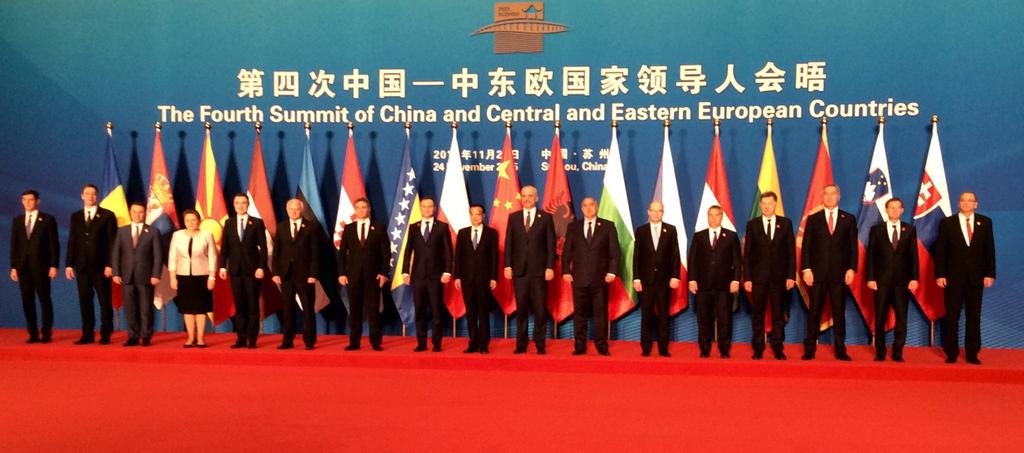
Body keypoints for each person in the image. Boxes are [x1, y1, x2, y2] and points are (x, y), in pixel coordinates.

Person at [935, 191, 996, 365]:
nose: (966, 203)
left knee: (974, 317)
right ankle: (951, 352)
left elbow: (989, 250)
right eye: (963, 200)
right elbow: (941, 251)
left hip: (976, 278)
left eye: (970, 200)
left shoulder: (985, 222)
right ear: (958, 203)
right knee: (952, 317)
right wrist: (940, 274)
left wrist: (990, 273)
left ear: (976, 204)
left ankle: (972, 353)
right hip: (953, 278)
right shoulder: (947, 223)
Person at [800, 184, 858, 361]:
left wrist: (851, 268)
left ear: (838, 196)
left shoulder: (848, 219)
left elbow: (853, 247)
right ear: (822, 197)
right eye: (826, 194)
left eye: (833, 194)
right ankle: (810, 348)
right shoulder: (813, 218)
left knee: (839, 313)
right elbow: (806, 246)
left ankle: (840, 349)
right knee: (814, 312)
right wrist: (806, 269)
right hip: (817, 274)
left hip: (839, 275)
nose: (830, 197)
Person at [561, 196, 620, 356]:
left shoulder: (607, 226)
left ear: (597, 207)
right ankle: (580, 346)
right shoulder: (573, 227)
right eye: (585, 205)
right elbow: (567, 251)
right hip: (579, 278)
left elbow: (615, 252)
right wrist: (565, 271)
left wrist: (612, 272)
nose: (588, 208)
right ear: (581, 209)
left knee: (600, 314)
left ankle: (602, 345)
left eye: (591, 205)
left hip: (600, 279)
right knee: (580, 314)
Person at [742, 191, 796, 360]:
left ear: (775, 204)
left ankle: (778, 347)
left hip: (780, 278)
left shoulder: (786, 224)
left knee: (778, 314)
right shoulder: (752, 225)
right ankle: (758, 348)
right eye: (764, 204)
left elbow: (791, 253)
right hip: (758, 278)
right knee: (758, 314)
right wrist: (747, 278)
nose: (766, 207)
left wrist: (791, 276)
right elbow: (747, 254)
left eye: (769, 203)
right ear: (760, 205)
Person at [504, 185, 556, 355]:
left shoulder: (546, 218)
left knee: (540, 309)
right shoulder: (514, 217)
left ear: (536, 198)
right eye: (524, 195)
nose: (526, 198)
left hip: (539, 272)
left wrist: (550, 267)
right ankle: (521, 344)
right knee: (522, 309)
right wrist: (508, 265)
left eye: (530, 196)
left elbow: (550, 244)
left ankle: (540, 343)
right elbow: (509, 243)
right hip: (519, 272)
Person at [866, 197, 919, 362]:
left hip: (902, 282)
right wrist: (870, 278)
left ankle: (898, 352)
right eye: (891, 207)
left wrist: (914, 278)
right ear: (886, 210)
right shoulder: (876, 230)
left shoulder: (909, 229)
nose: (894, 210)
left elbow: (914, 256)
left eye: (897, 208)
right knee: (880, 318)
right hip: (881, 282)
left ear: (902, 210)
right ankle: (880, 352)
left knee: (902, 318)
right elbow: (871, 255)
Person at [65, 184, 118, 345]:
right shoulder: (76, 216)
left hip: (102, 267)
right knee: (85, 301)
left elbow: (113, 243)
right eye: (87, 194)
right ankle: (87, 334)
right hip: (82, 267)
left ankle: (106, 334)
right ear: (82, 196)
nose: (90, 196)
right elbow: (72, 241)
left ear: (97, 196)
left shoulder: (108, 215)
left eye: (93, 194)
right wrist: (69, 264)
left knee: (104, 302)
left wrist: (110, 264)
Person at [688, 205, 741, 358]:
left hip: (724, 286)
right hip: (703, 285)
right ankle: (705, 349)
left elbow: (737, 260)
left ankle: (724, 349)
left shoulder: (731, 236)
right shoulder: (699, 236)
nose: (713, 218)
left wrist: (736, 280)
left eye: (716, 215)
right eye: (710, 215)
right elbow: (692, 260)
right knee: (704, 319)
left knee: (725, 319)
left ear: (721, 217)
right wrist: (692, 279)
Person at [337, 197, 389, 351]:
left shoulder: (379, 227)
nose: (361, 210)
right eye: (358, 207)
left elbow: (386, 254)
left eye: (364, 207)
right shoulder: (349, 228)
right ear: (355, 210)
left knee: (373, 310)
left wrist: (383, 273)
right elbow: (342, 253)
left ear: (369, 209)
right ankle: (354, 342)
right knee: (354, 310)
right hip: (353, 276)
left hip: (373, 276)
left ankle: (375, 341)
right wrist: (341, 273)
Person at [402, 197, 453, 352]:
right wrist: (405, 271)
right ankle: (421, 343)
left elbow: (448, 251)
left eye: (429, 206)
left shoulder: (442, 227)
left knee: (436, 311)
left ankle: (437, 343)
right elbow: (408, 251)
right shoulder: (414, 227)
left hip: (436, 276)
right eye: (424, 206)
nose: (427, 209)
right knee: (419, 311)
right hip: (418, 276)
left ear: (434, 208)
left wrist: (447, 271)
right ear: (420, 208)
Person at [9, 189, 59, 343]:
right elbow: (14, 245)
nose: (27, 202)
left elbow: (54, 244)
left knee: (44, 300)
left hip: (42, 267)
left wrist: (54, 265)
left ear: (38, 201)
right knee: (27, 301)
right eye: (24, 200)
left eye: (31, 200)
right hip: (23, 268)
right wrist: (13, 267)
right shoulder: (17, 221)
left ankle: (46, 333)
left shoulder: (48, 219)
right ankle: (33, 333)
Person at [218, 193, 268, 349]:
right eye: (237, 203)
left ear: (248, 205)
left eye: (243, 203)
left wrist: (261, 267)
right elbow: (225, 247)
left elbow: (263, 248)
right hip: (235, 271)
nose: (240, 205)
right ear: (234, 205)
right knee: (239, 306)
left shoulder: (257, 222)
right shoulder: (229, 223)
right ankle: (240, 338)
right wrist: (222, 266)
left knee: (253, 306)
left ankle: (252, 340)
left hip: (252, 271)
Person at [632, 201, 681, 357]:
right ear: (648, 212)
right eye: (653, 210)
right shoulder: (641, 231)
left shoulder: (671, 230)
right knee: (646, 315)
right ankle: (646, 347)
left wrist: (675, 276)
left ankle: (663, 347)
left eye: (659, 211)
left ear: (663, 213)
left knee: (664, 316)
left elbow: (675, 255)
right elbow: (636, 256)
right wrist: (636, 278)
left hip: (664, 281)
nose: (656, 213)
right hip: (645, 281)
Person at [111, 202, 162, 347]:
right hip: (126, 276)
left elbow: (158, 255)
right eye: (134, 211)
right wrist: (116, 273)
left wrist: (156, 274)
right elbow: (116, 253)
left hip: (146, 276)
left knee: (146, 308)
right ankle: (132, 336)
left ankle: (146, 336)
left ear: (145, 213)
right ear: (130, 213)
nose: (137, 215)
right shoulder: (122, 231)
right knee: (130, 308)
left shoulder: (152, 231)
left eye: (140, 212)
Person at [272, 199, 319, 350]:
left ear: (301, 209)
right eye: (291, 209)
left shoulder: (311, 227)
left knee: (308, 309)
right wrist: (275, 272)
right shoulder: (281, 227)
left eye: (297, 209)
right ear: (287, 210)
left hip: (305, 275)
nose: (294, 211)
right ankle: (287, 340)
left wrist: (313, 274)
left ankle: (309, 340)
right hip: (286, 275)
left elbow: (315, 253)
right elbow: (277, 252)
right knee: (287, 309)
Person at [168, 209, 218, 348]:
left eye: (193, 220)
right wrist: (172, 277)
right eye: (188, 220)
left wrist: (212, 277)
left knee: (201, 308)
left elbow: (213, 256)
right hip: (183, 275)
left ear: (199, 221)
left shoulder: (207, 235)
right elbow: (172, 257)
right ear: (184, 222)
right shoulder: (177, 235)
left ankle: (201, 337)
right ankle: (190, 337)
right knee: (188, 308)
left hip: (202, 276)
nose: (191, 223)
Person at [453, 204, 498, 354]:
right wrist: (457, 276)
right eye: (472, 214)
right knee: (471, 312)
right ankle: (473, 342)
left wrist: (494, 277)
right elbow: (458, 257)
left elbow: (494, 257)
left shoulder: (491, 233)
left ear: (483, 216)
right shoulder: (463, 233)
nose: (474, 217)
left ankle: (484, 344)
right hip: (467, 279)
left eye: (477, 214)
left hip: (484, 279)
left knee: (483, 312)